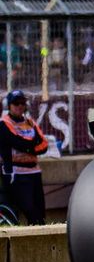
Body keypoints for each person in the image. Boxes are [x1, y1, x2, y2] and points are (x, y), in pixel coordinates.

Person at [0, 90, 48, 225]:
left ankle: (40, 234)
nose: (20, 106)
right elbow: (16, 142)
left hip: (34, 172)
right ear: (9, 105)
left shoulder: (30, 122)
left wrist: (28, 147)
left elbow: (44, 145)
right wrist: (32, 144)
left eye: (22, 103)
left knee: (39, 211)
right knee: (28, 209)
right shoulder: (4, 123)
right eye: (16, 103)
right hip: (16, 173)